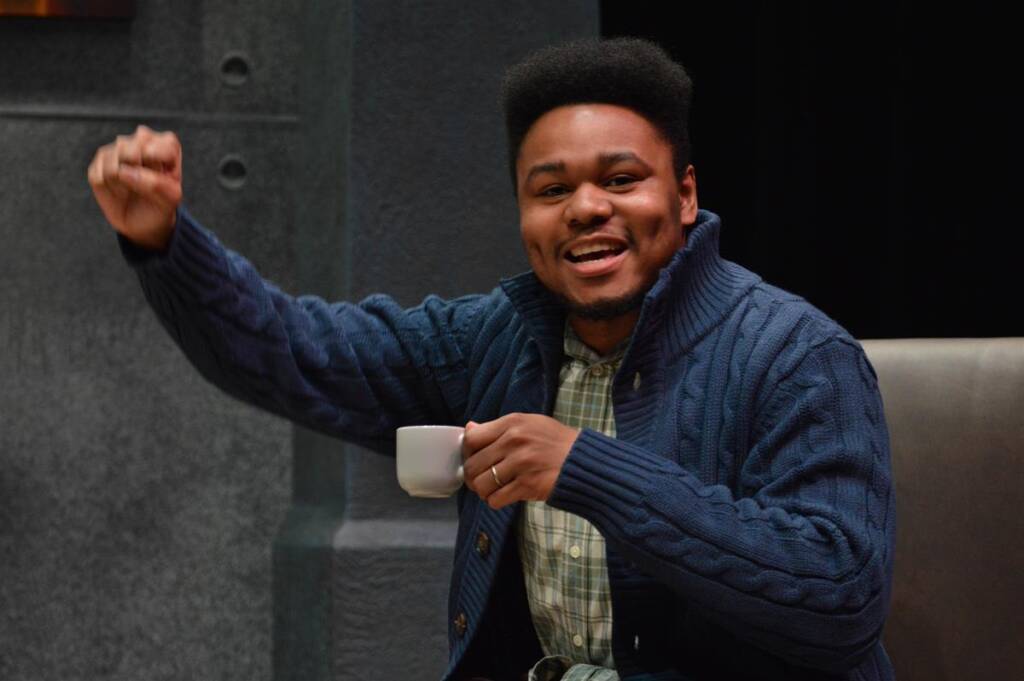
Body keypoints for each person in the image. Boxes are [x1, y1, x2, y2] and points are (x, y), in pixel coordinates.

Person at [87, 38, 895, 681]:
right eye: (551, 190)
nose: (586, 208)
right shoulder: (495, 337)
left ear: (684, 195)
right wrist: (164, 239)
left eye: (622, 179)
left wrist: (584, 467)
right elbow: (296, 352)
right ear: (521, 210)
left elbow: (839, 592)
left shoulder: (798, 355)